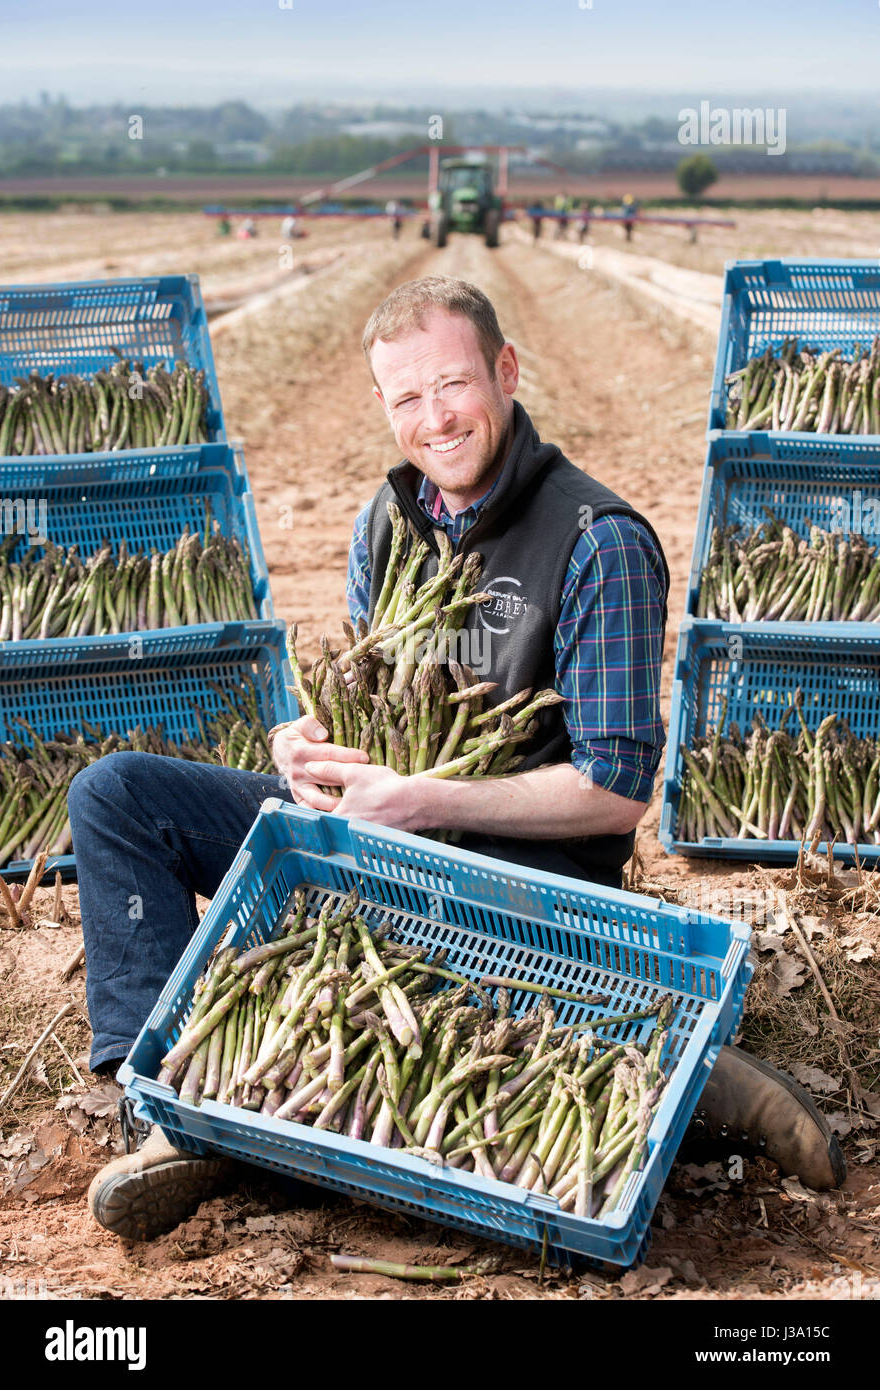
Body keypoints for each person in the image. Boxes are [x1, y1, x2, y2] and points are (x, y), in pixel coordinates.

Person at [77, 276, 844, 1241]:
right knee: (116, 794)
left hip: (517, 877)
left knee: (462, 983)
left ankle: (694, 1081)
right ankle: (161, 1115)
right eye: (406, 397)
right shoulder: (381, 525)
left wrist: (427, 801)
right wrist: (304, 745)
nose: (433, 419)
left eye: (453, 385)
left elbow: (613, 794)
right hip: (375, 830)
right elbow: (375, 705)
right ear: (383, 405)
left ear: (506, 372)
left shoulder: (596, 541)